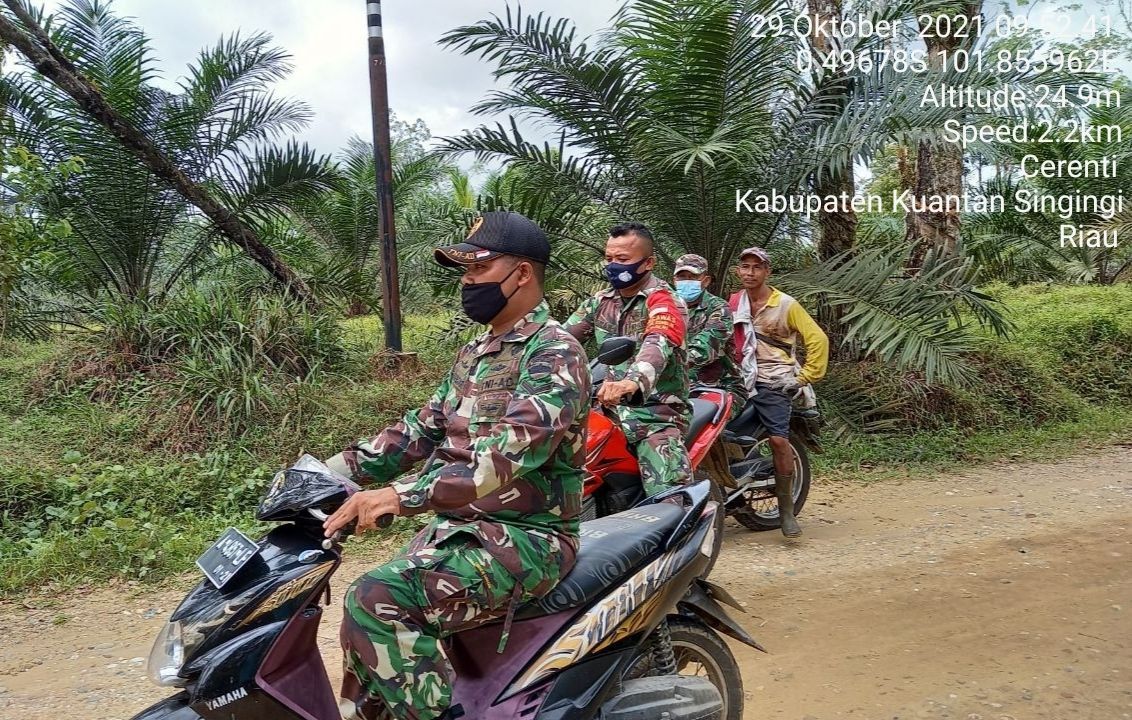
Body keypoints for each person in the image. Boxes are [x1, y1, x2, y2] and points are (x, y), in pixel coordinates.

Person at [322, 211, 590, 720]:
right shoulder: (477, 350)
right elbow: (420, 429)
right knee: (367, 641)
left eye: (478, 269)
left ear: (523, 274)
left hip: (529, 539)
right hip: (462, 530)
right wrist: (328, 470)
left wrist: (400, 496)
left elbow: (500, 459)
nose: (466, 282)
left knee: (376, 600)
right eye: (463, 271)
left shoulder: (555, 353)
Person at [564, 221, 689, 497]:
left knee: (669, 500)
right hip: (606, 410)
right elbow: (561, 341)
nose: (612, 266)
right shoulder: (599, 301)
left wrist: (632, 382)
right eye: (608, 258)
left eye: (622, 259)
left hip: (655, 413)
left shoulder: (664, 301)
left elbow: (658, 341)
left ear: (648, 263)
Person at [729, 246, 828, 538]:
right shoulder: (734, 302)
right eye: (745, 267)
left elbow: (818, 339)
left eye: (756, 267)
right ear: (738, 271)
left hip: (773, 378)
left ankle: (786, 510)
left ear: (767, 272)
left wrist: (805, 376)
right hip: (739, 376)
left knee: (777, 438)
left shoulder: (785, 304)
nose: (750, 272)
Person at [672, 253, 745, 412]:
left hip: (718, 387)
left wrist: (661, 362)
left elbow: (707, 344)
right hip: (672, 386)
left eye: (693, 277)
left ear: (706, 281)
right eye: (682, 277)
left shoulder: (719, 308)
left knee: (688, 425)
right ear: (674, 281)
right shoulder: (665, 308)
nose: (686, 281)